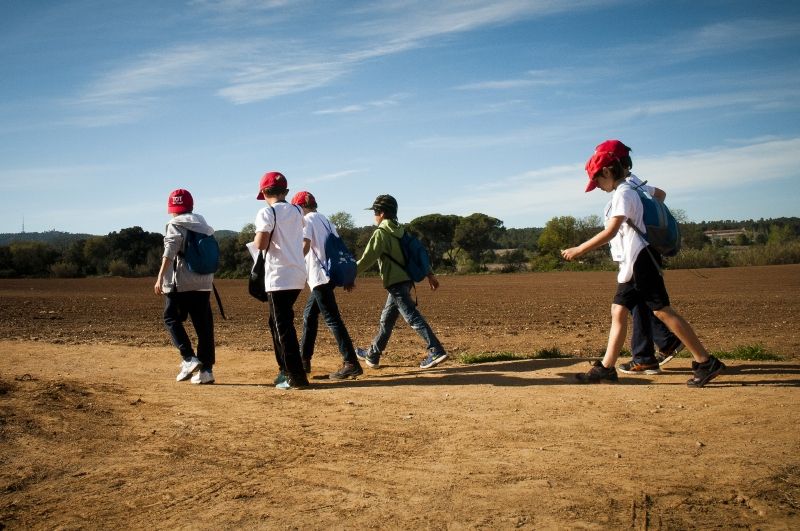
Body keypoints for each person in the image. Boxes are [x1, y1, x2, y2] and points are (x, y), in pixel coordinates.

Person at [562, 151, 725, 387]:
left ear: (607, 171)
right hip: (632, 262)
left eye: (596, 180)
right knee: (618, 310)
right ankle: (607, 368)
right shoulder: (625, 191)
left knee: (661, 311)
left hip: (641, 260)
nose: (596, 186)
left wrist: (579, 249)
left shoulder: (624, 193)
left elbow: (611, 231)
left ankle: (706, 361)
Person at [592, 139, 684, 373]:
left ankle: (647, 355)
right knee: (634, 305)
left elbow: (611, 230)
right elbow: (661, 194)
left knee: (644, 306)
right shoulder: (636, 184)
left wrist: (640, 224)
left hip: (636, 254)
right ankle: (660, 346)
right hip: (638, 253)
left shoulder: (627, 188)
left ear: (611, 164)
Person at [353, 194, 448, 370]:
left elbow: (367, 259)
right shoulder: (402, 231)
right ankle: (373, 354)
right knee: (386, 319)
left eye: (375, 212)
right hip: (406, 280)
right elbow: (415, 254)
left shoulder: (381, 233)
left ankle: (436, 350)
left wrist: (348, 274)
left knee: (411, 316)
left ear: (381, 213)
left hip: (395, 282)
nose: (374, 216)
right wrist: (430, 274)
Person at [291, 190, 363, 380]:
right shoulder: (327, 220)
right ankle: (303, 360)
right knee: (310, 315)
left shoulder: (306, 221)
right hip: (329, 275)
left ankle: (351, 363)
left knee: (332, 319)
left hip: (319, 276)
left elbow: (305, 245)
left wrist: (294, 262)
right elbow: (339, 248)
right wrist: (347, 277)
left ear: (301, 207)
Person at [252, 171, 309, 390]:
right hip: (297, 274)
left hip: (278, 276)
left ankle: (295, 375)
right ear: (285, 191)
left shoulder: (266, 213)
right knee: (277, 322)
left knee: (282, 326)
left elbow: (261, 244)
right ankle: (285, 370)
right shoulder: (296, 210)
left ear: (264, 192)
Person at [154, 188, 216, 384]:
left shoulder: (174, 224)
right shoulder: (203, 224)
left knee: (170, 317)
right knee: (203, 327)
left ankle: (188, 358)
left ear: (172, 208)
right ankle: (206, 372)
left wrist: (159, 278)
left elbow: (170, 252)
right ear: (191, 206)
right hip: (205, 282)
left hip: (181, 282)